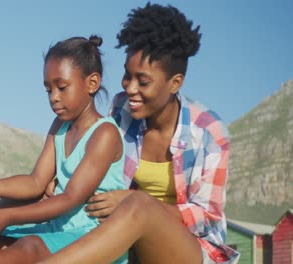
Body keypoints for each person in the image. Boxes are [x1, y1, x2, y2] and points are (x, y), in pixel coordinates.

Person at [37, 3, 240, 264]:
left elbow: (206, 217)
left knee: (140, 206)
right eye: (126, 75)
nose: (130, 88)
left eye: (142, 81)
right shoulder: (120, 110)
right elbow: (98, 167)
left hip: (190, 249)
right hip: (128, 237)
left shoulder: (209, 133)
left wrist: (138, 200)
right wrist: (59, 180)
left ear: (175, 83)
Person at [0, 34, 127, 264]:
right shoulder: (60, 126)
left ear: (92, 83)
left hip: (94, 238)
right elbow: (36, 182)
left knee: (30, 246)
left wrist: (8, 217)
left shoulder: (104, 134)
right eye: (48, 90)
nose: (54, 98)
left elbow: (70, 198)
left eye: (62, 87)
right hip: (56, 232)